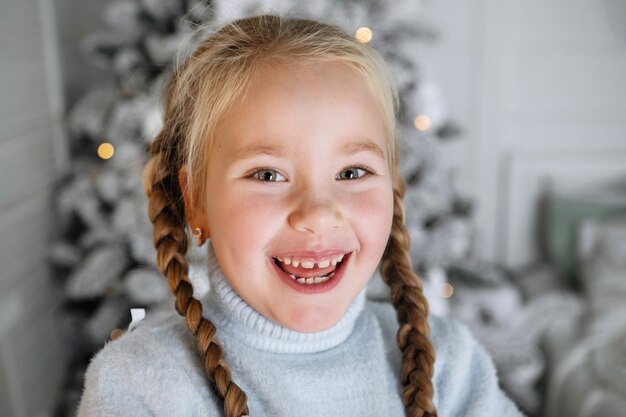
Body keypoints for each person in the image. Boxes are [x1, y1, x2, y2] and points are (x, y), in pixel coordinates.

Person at [77, 14, 523, 417]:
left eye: (352, 171)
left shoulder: (450, 365)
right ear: (195, 200)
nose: (318, 214)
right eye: (268, 174)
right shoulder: (142, 384)